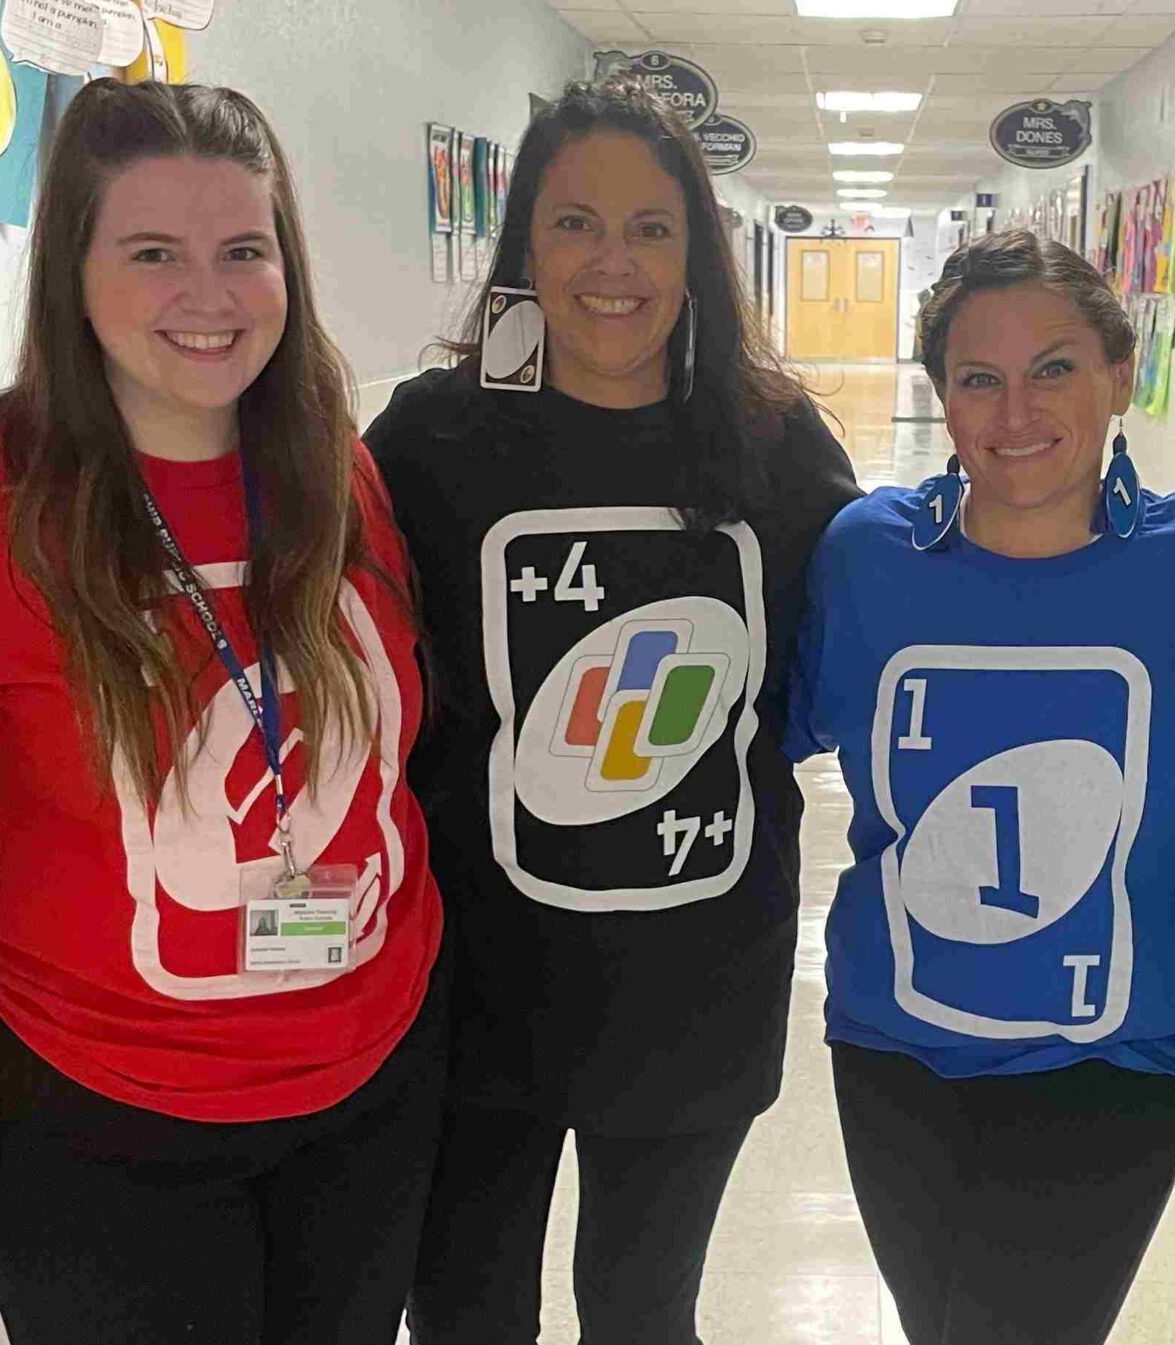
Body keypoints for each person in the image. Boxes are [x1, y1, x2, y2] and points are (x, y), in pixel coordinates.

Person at [0, 80, 444, 1344]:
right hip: (99, 1112)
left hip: (369, 1075)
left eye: (244, 249)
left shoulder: (331, 464)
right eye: (152, 253)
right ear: (71, 270)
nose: (210, 294)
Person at [366, 77, 858, 1343]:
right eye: (574, 222)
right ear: (522, 239)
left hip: (695, 985)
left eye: (652, 227)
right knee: (467, 1316)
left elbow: (825, 676)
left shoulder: (774, 439)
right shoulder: (433, 438)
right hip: (476, 983)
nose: (612, 263)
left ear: (698, 249)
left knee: (644, 1315)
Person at [785, 229, 1175, 1343]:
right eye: (976, 379)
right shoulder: (869, 556)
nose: (1015, 411)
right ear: (939, 397)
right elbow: (761, 738)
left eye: (1054, 367)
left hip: (1119, 1048)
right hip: (895, 1035)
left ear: (1120, 373)